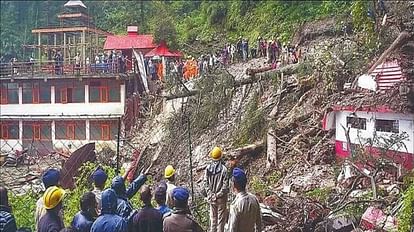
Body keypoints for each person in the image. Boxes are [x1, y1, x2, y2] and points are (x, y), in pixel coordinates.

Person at [228, 168, 262, 232]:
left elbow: (232, 229)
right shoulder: (254, 199)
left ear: (233, 185)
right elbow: (259, 223)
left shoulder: (235, 206)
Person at [204, 147, 229, 232]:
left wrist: (210, 194)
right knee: (221, 221)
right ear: (220, 156)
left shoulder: (207, 169)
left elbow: (205, 183)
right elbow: (225, 186)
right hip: (221, 199)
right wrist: (218, 195)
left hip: (212, 198)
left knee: (213, 219)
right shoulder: (224, 169)